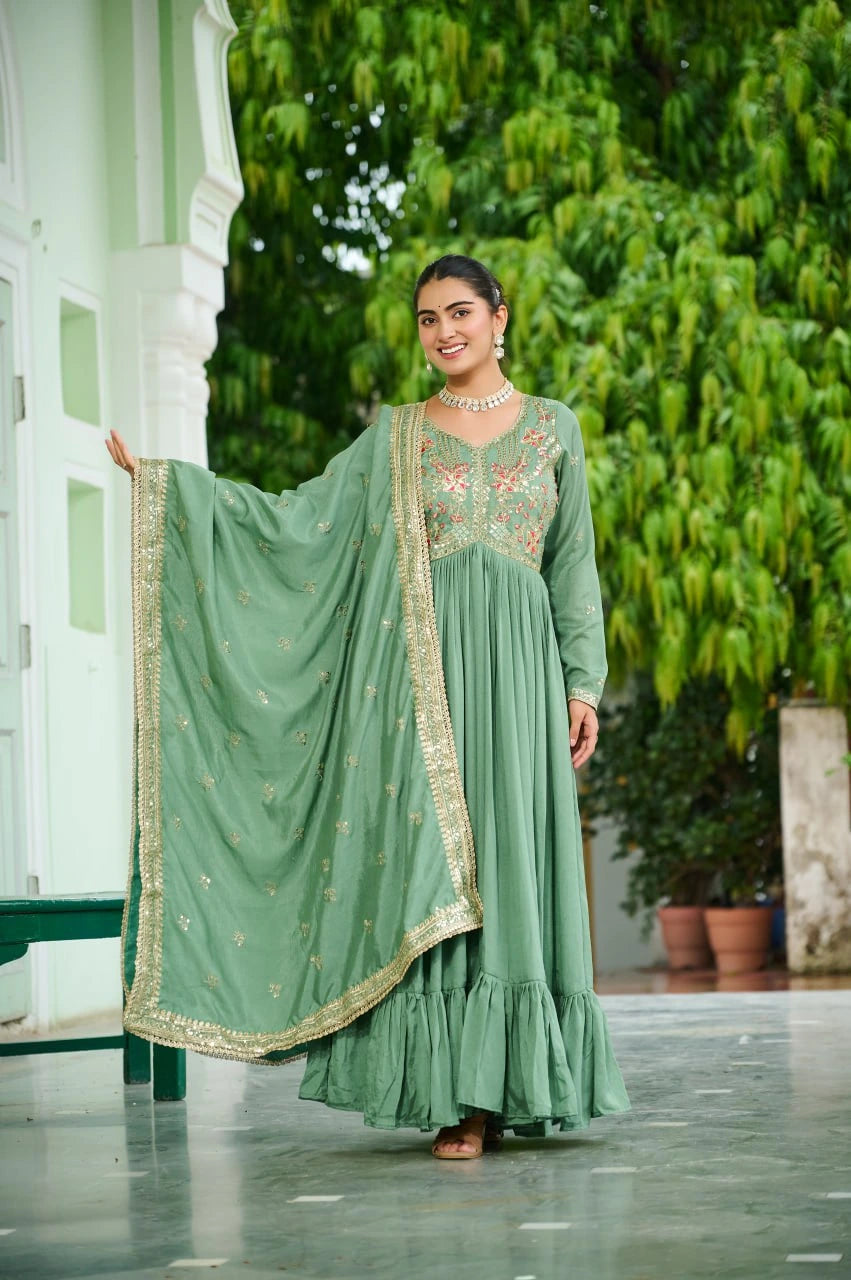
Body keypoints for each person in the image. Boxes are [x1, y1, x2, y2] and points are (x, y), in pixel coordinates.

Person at [106, 253, 630, 1160]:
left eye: (460, 313)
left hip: (519, 673)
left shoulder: (554, 428)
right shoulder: (395, 436)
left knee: (511, 856)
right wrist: (171, 492)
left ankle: (514, 1084)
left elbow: (571, 565)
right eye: (427, 320)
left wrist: (582, 683)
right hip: (422, 688)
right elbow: (298, 521)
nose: (444, 333)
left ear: (500, 317)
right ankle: (458, 1097)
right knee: (440, 866)